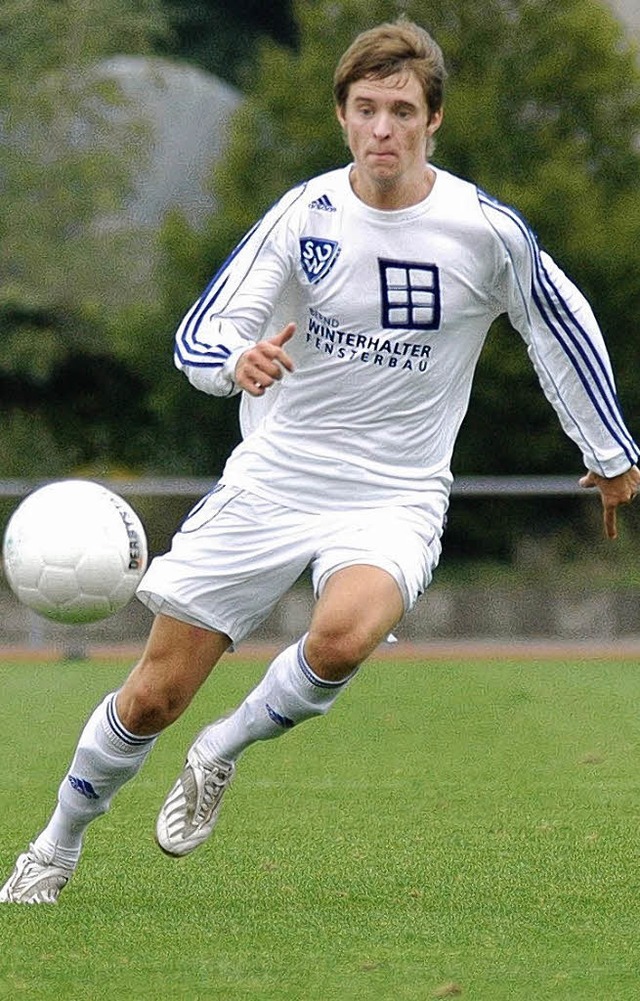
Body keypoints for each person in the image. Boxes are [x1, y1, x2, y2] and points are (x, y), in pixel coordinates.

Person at [2, 17, 638, 905]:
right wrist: (236, 363)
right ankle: (55, 844)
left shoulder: (483, 232)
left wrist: (608, 452)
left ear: (433, 121)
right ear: (342, 118)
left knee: (341, 634)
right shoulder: (306, 216)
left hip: (396, 492)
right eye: (367, 109)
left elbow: (560, 325)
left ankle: (222, 749)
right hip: (274, 477)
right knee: (153, 695)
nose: (385, 129)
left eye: (403, 111)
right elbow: (201, 331)